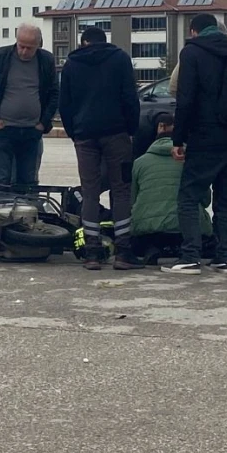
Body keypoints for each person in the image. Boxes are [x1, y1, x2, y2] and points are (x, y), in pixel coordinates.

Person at [167, 14, 227, 275]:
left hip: (205, 138)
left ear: (194, 31)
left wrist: (178, 139)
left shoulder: (192, 53)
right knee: (226, 199)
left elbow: (185, 100)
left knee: (188, 196)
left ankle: (190, 256)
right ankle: (224, 258)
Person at [59, 26, 142, 271]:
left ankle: (92, 253)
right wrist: (131, 128)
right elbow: (130, 96)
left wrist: (75, 132)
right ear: (104, 41)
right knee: (121, 190)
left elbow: (65, 104)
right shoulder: (120, 59)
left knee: (90, 191)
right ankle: (124, 252)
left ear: (84, 41)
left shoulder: (72, 63)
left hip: (85, 136)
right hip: (116, 134)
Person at [0, 24, 59, 191]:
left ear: (38, 44)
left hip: (32, 130)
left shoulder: (46, 60)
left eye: (30, 48)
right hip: (4, 130)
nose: (24, 52)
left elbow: (55, 93)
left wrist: (43, 122)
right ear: (16, 41)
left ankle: (27, 214)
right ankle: (2, 212)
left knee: (28, 181)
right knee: (3, 180)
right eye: (21, 46)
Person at [131, 113, 215, 264]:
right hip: (188, 228)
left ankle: (153, 248)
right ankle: (183, 249)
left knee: (139, 241)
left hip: (149, 229)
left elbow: (133, 200)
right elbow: (206, 199)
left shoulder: (139, 163)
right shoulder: (192, 161)